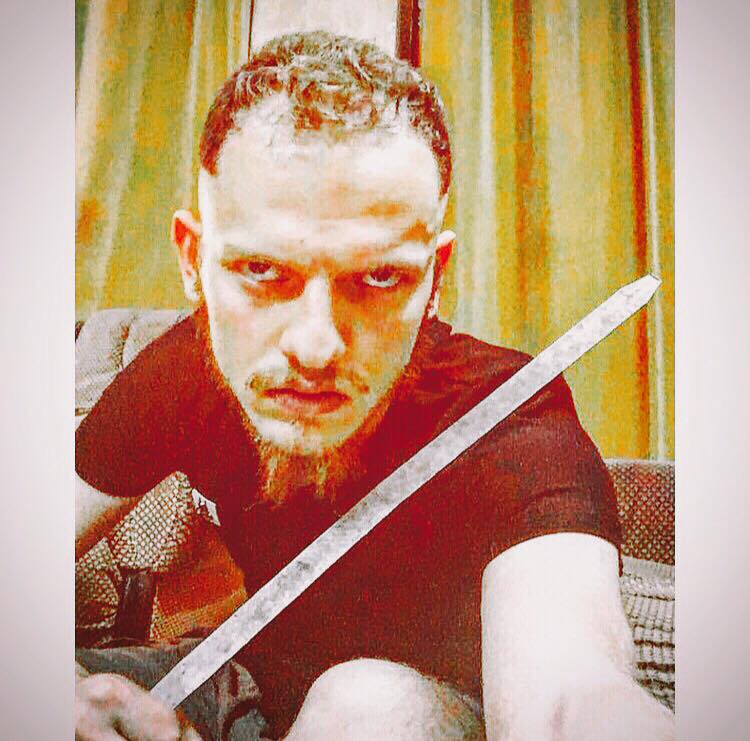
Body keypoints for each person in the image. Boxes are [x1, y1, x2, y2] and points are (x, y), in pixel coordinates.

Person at [75, 31, 674, 741]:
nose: (315, 346)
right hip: (242, 690)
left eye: (379, 277)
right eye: (262, 272)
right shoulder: (192, 365)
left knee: (368, 705)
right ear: (193, 259)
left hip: (426, 716)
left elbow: (568, 694)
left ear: (434, 277)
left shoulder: (511, 424)